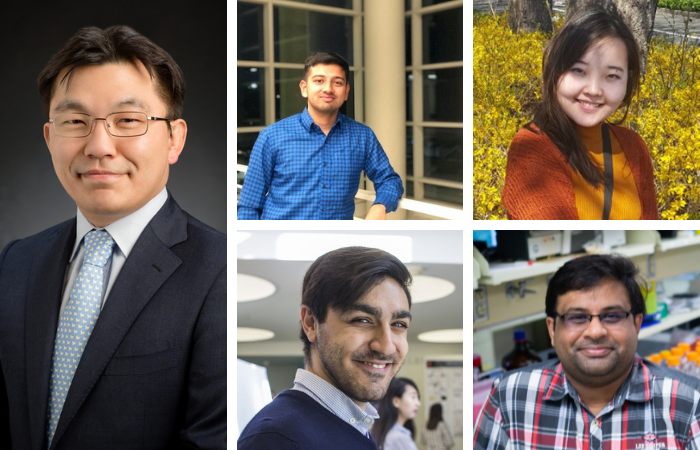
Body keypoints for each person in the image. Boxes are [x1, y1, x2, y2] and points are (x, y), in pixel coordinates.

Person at [0, 25, 226, 449]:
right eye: (75, 121)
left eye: (127, 120)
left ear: (174, 139)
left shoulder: (219, 270)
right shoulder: (15, 263)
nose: (99, 145)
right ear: (50, 138)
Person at [474, 254, 700, 449]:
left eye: (612, 316)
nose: (595, 331)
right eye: (577, 317)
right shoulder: (509, 397)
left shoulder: (688, 403)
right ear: (552, 330)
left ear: (637, 324)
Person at [238, 247, 413, 449]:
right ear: (311, 323)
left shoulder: (354, 427)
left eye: (399, 324)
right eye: (362, 320)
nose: (386, 346)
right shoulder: (277, 439)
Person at [502, 8, 658, 219]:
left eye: (612, 76)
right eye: (578, 71)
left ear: (627, 82)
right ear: (556, 70)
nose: (593, 90)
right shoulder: (532, 148)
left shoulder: (634, 147)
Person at [237, 52, 404, 220]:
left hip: (337, 241)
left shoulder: (362, 136)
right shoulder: (272, 136)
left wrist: (380, 206)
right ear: (304, 88)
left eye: (337, 82)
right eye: (319, 81)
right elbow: (249, 206)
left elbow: (390, 180)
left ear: (346, 91)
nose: (328, 89)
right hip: (280, 240)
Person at [371, 377, 421, 450]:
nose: (418, 403)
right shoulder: (398, 437)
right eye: (413, 397)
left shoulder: (384, 432)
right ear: (396, 401)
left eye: (418, 398)